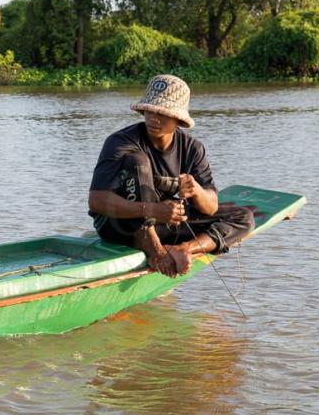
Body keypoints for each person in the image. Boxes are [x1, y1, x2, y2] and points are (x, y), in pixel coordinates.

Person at [88, 74, 254, 277]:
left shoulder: (193, 148)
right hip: (123, 226)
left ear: (178, 119)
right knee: (137, 161)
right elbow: (96, 201)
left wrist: (195, 190)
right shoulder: (120, 142)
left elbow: (211, 207)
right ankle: (155, 251)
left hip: (164, 223)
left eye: (162, 114)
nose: (153, 118)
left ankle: (185, 249)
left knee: (244, 217)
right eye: (149, 111)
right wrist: (152, 209)